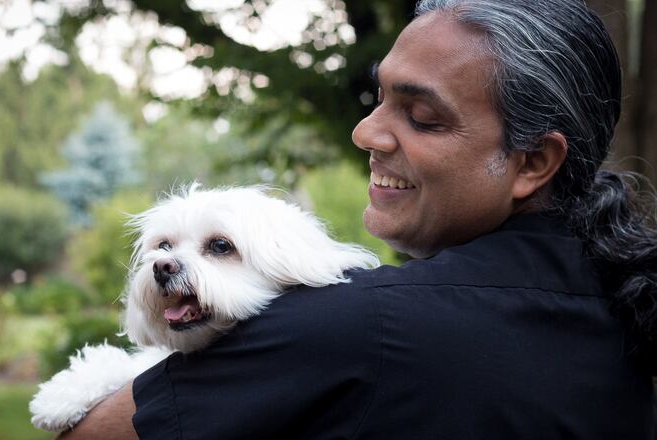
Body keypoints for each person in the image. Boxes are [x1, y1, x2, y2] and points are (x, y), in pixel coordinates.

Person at [59, 0, 657, 438]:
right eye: (379, 99)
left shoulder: (354, 325)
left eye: (421, 116)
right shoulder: (625, 312)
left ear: (533, 162)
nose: (365, 131)